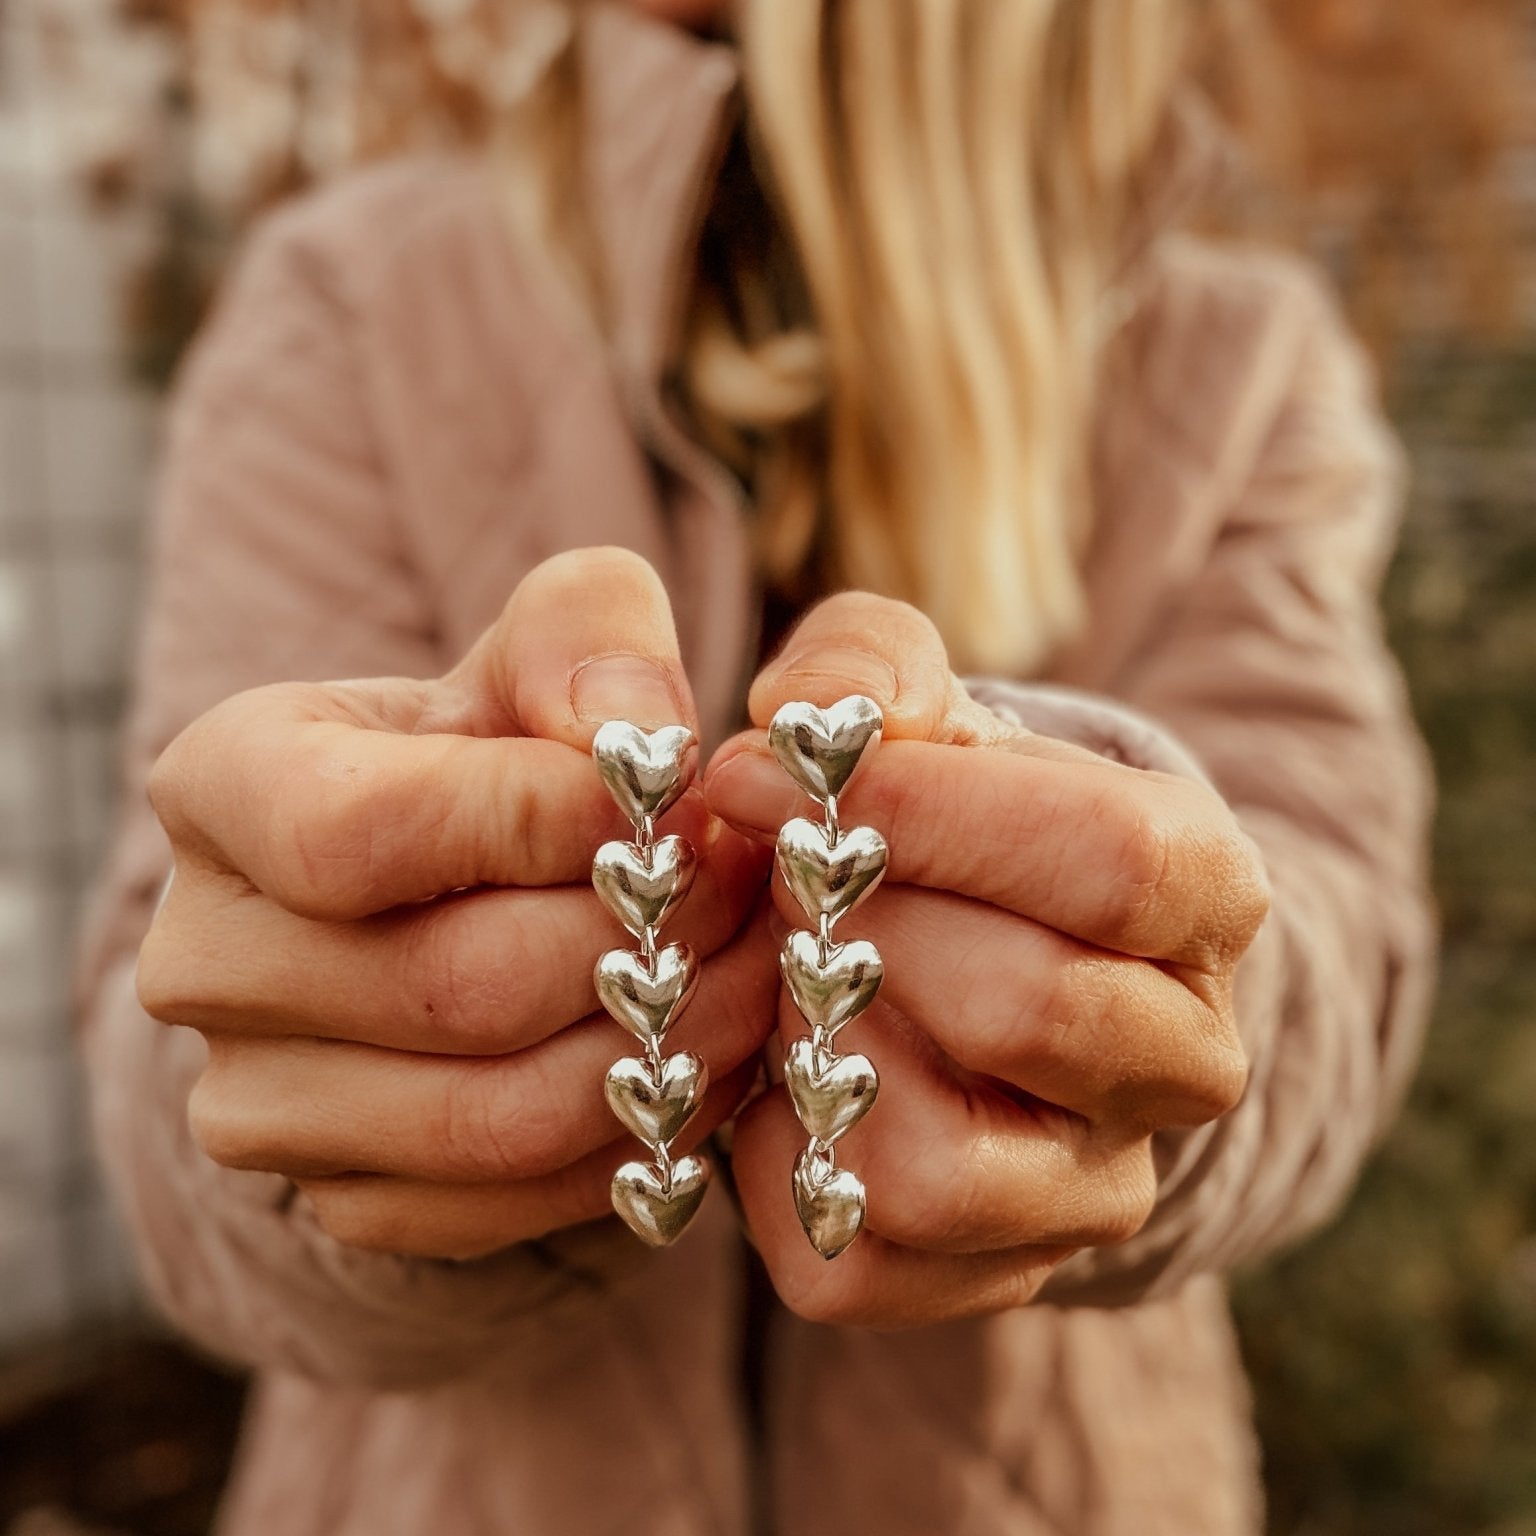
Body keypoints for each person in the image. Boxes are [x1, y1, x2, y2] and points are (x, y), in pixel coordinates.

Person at [78, 0, 1436, 1531]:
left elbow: (1340, 945)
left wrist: (1137, 1007)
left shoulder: (1232, 358)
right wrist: (365, 1085)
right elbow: (168, 1056)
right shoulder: (355, 303)